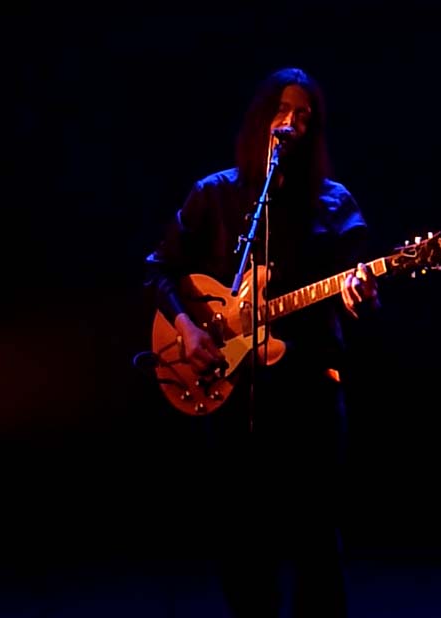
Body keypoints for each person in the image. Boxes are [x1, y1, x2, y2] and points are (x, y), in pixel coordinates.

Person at [143, 67, 379, 618]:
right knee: (242, 548)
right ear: (261, 120)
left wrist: (359, 292)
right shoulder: (215, 194)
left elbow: (359, 287)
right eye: (282, 111)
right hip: (233, 397)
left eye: (303, 115)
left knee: (317, 546)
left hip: (310, 396)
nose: (291, 122)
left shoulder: (334, 204)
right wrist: (189, 326)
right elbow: (159, 270)